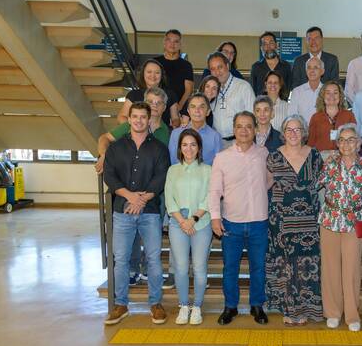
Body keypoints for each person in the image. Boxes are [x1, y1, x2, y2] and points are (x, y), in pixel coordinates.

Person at [103, 101, 170, 325]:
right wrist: (130, 196)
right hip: (122, 211)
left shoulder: (159, 148)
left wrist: (142, 199)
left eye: (143, 117)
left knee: (153, 258)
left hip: (150, 212)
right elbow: (110, 176)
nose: (139, 120)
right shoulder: (116, 148)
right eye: (135, 116)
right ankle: (121, 304)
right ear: (129, 119)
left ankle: (156, 303)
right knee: (121, 259)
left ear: (149, 120)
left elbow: (161, 177)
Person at [209, 111, 272, 325]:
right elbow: (214, 191)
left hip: (259, 222)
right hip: (231, 223)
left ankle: (257, 305)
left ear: (255, 130)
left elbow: (269, 180)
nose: (244, 130)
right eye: (239, 126)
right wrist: (215, 218)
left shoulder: (264, 154)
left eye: (248, 126)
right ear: (233, 129)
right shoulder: (222, 157)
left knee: (258, 267)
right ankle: (230, 307)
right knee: (230, 268)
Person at [266, 115, 323, 326]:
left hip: (309, 219)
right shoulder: (273, 157)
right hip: (281, 220)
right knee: (287, 265)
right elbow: (265, 185)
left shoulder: (314, 155)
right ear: (283, 133)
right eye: (289, 129)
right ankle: (290, 309)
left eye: (297, 129)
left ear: (304, 132)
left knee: (308, 265)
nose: (293, 133)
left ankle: (308, 309)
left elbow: (323, 183)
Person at [318, 124, 362, 332]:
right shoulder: (330, 163)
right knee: (330, 269)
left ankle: (352, 315)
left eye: (351, 140)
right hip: (330, 220)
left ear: (358, 143)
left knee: (351, 270)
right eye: (342, 140)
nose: (346, 144)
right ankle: (333, 312)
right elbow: (316, 184)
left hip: (355, 221)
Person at [165, 129, 213, 325]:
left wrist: (193, 219)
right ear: (180, 148)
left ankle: (197, 307)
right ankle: (184, 306)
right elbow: (169, 199)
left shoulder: (208, 170)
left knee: (200, 267)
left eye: (193, 144)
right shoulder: (172, 170)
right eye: (185, 145)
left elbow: (209, 198)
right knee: (181, 267)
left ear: (199, 147)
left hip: (201, 224)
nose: (189, 148)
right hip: (178, 225)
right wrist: (182, 221)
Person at [95, 87, 170, 175]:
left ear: (164, 107)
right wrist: (105, 155)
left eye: (159, 103)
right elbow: (104, 138)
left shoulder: (169, 133)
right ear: (144, 103)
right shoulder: (131, 125)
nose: (154, 105)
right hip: (126, 174)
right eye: (150, 102)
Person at [207, 52, 255, 147]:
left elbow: (252, 116)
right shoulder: (209, 89)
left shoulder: (243, 87)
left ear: (227, 66)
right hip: (216, 142)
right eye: (213, 69)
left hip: (239, 141)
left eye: (220, 67)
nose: (217, 72)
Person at [118, 59, 180, 128]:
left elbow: (175, 119)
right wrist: (135, 130)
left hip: (162, 132)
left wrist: (173, 127)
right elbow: (122, 117)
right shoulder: (133, 95)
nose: (153, 75)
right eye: (149, 72)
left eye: (157, 73)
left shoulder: (170, 94)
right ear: (143, 74)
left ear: (162, 75)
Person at [169, 93, 222, 166]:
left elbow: (218, 165)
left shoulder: (215, 137)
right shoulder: (176, 134)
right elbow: (173, 163)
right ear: (188, 111)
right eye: (193, 107)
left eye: (202, 107)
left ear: (208, 112)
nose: (197, 110)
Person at [307, 81, 356, 154]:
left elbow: (354, 140)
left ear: (340, 96)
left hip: (344, 156)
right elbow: (310, 144)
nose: (332, 96)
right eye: (328, 93)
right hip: (321, 158)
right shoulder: (315, 118)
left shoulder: (349, 116)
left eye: (335, 93)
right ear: (323, 96)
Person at [155, 29, 194, 114]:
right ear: (164, 43)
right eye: (169, 40)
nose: (172, 44)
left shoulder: (186, 65)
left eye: (176, 41)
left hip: (179, 109)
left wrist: (179, 106)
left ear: (180, 45)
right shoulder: (155, 63)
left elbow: (189, 89)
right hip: (157, 107)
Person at [250, 31, 292, 96]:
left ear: (276, 45)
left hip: (281, 102)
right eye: (265, 44)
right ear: (261, 48)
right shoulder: (256, 67)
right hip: (261, 102)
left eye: (271, 43)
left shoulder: (286, 66)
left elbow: (288, 89)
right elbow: (253, 91)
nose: (268, 46)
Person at [289, 56, 324, 125]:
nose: (312, 71)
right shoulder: (297, 92)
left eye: (315, 67)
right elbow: (292, 117)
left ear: (322, 71)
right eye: (309, 67)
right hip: (302, 131)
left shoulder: (327, 91)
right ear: (306, 71)